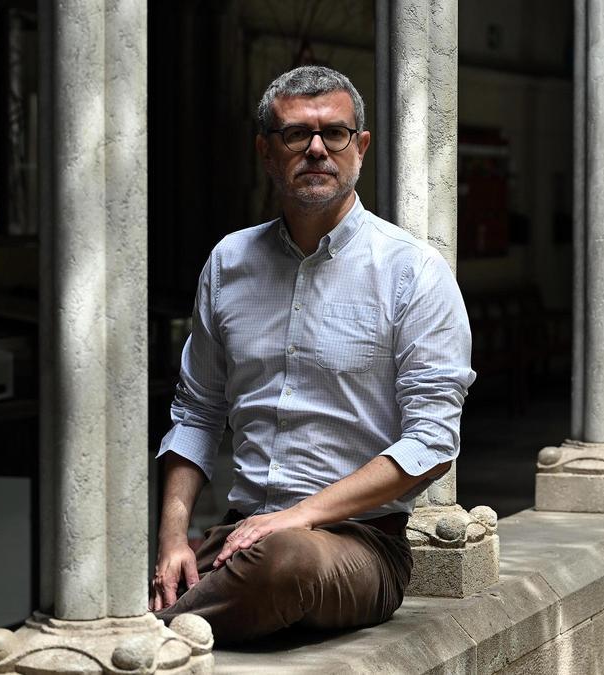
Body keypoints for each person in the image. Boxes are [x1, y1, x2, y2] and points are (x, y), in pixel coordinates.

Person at [149, 65, 475, 645]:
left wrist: (295, 516)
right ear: (267, 153)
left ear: (362, 147)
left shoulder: (412, 272)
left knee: (285, 560)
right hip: (243, 531)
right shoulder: (229, 263)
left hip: (360, 544)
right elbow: (197, 413)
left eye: (336, 133)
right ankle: (168, 609)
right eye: (297, 134)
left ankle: (151, 637)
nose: (318, 149)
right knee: (129, 570)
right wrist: (174, 538)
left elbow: (432, 445)